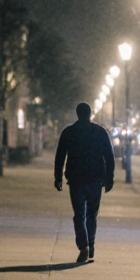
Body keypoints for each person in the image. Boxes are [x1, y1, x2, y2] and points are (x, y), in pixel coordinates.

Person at [54, 102, 115, 263]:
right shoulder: (100, 132)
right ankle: (91, 242)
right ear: (90, 114)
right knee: (92, 215)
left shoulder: (69, 132)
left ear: (77, 114)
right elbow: (109, 156)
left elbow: (60, 157)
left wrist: (58, 177)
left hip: (76, 180)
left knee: (79, 214)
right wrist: (109, 178)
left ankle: (83, 246)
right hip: (95, 179)